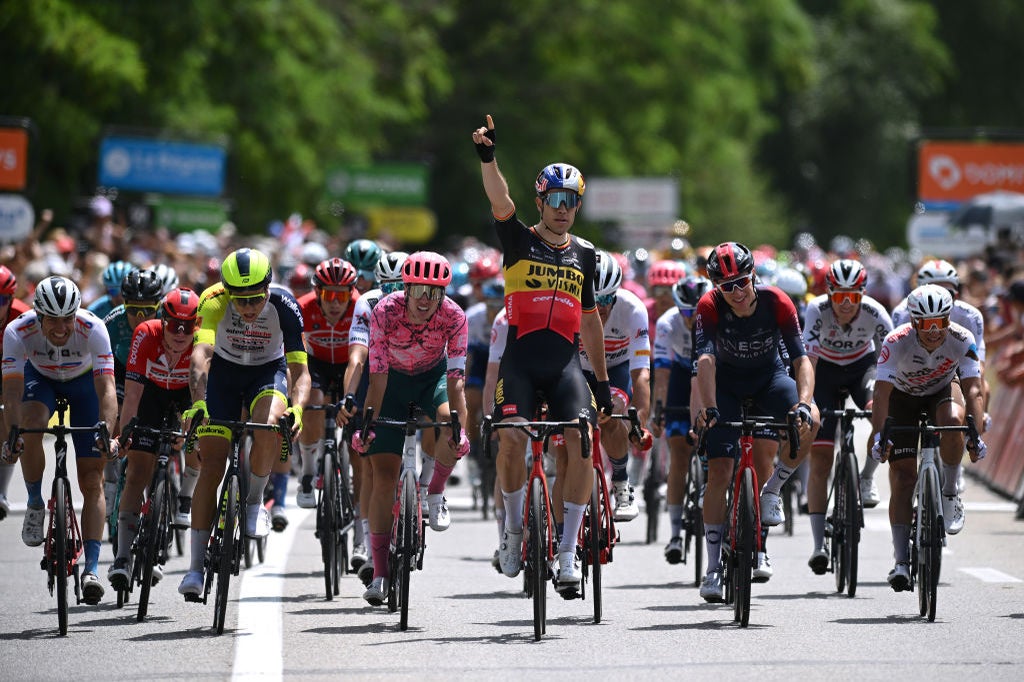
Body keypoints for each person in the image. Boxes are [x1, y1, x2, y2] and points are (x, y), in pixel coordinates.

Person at [471, 114, 613, 593]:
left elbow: (590, 321)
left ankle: (568, 552)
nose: (562, 209)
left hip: (565, 365)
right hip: (522, 361)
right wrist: (488, 158)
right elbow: (500, 200)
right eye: (554, 199)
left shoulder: (586, 255)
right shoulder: (519, 240)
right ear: (540, 202)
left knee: (582, 442)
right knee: (512, 439)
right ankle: (513, 531)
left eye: (570, 201)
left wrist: (601, 382)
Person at [340, 251, 469, 606]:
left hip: (433, 379)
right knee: (383, 477)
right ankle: (380, 573)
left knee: (448, 424)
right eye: (418, 291)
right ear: (406, 289)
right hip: (392, 384)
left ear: (443, 294)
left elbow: (456, 381)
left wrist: (460, 429)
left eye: (434, 292)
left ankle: (435, 491)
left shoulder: (454, 316)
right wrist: (367, 425)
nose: (425, 299)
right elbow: (377, 378)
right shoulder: (385, 311)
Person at [177, 248, 309, 597]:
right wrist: (199, 402)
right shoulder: (213, 300)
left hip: (267, 372)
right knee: (211, 466)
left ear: (267, 288)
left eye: (255, 299)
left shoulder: (285, 305)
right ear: (227, 292)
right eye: (240, 300)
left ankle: (253, 501)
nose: (248, 308)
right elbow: (201, 355)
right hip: (224, 374)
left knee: (268, 422)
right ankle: (194, 568)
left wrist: (297, 409)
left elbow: (300, 371)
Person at [693, 242, 818, 602]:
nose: (736, 292)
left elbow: (801, 360)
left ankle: (773, 490)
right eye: (726, 286)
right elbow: (705, 361)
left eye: (742, 282)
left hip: (769, 379)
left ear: (754, 276)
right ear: (716, 286)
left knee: (813, 420)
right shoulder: (708, 306)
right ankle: (712, 568)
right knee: (719, 471)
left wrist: (804, 404)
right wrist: (710, 407)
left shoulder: (777, 301)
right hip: (726, 386)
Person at [1, 276, 118, 604]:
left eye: (68, 318)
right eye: (53, 320)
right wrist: (13, 435)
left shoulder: (93, 328)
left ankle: (91, 569)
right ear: (38, 315)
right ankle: (35, 502)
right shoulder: (17, 330)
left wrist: (106, 433)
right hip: (41, 380)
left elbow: (107, 389)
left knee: (92, 479)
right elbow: (11, 391)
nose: (62, 327)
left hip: (84, 384)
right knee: (31, 425)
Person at [870, 284, 986, 590]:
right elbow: (881, 395)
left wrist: (975, 434)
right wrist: (880, 436)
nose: (934, 331)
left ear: (949, 318)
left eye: (940, 322)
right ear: (913, 321)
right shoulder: (896, 341)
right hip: (902, 398)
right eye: (926, 323)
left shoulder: (962, 338)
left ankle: (949, 491)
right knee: (903, 477)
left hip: (941, 390)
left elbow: (974, 389)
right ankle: (900, 561)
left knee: (953, 421)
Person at [801, 259, 892, 574]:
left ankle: (866, 477)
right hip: (824, 372)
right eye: (839, 296)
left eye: (852, 297)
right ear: (829, 294)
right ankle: (818, 545)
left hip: (861, 368)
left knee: (880, 410)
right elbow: (809, 361)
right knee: (821, 458)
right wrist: (807, 400)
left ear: (862, 295)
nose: (845, 304)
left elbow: (892, 359)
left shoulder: (875, 312)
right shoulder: (816, 310)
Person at [107, 288, 199, 591]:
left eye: (188, 326)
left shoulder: (201, 341)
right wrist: (126, 434)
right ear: (163, 320)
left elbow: (200, 394)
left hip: (186, 395)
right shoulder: (146, 333)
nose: (180, 333)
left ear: (197, 325)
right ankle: (122, 557)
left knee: (199, 440)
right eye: (174, 325)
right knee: (136, 472)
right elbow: (133, 394)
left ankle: (185, 497)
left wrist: (187, 430)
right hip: (151, 395)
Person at [342, 249, 408, 577]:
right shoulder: (367, 303)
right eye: (387, 287)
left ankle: (423, 489)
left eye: (400, 287)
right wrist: (349, 396)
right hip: (377, 373)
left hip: (413, 373)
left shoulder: (426, 301)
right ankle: (368, 543)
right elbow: (357, 356)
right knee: (369, 465)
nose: (394, 294)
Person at [580, 250, 653, 522]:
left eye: (606, 299)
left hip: (616, 370)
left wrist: (638, 422)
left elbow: (641, 373)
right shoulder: (570, 305)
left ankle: (622, 483)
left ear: (616, 293)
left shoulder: (633, 309)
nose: (599, 307)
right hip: (578, 369)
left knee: (611, 414)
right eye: (592, 299)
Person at [294, 258, 360, 537]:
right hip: (317, 363)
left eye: (341, 296)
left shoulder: (360, 307)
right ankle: (308, 473)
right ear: (317, 292)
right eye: (328, 295)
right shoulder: (302, 307)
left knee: (357, 407)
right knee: (313, 401)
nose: (334, 302)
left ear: (351, 293)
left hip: (349, 364)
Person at [652, 274, 712, 563]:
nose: (691, 319)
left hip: (711, 373)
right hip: (679, 375)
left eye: (696, 313)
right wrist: (659, 409)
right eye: (686, 313)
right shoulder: (667, 323)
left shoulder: (717, 319)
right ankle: (675, 534)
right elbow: (662, 374)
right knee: (678, 454)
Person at [0, 266, 32, 520]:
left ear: (11, 299)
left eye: (1, 300)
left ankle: (1, 492)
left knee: (5, 417)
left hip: (13, 369)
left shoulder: (22, 316)